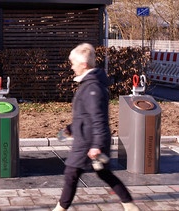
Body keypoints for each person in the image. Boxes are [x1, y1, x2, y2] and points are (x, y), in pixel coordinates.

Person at [53, 43, 139, 211]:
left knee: (71, 174)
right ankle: (130, 205)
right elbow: (84, 116)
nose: (71, 67)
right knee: (103, 173)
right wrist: (69, 129)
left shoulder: (93, 87)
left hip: (89, 142)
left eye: (73, 63)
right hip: (87, 139)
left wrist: (97, 146)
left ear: (83, 65)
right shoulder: (89, 84)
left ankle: (60, 209)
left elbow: (98, 119)